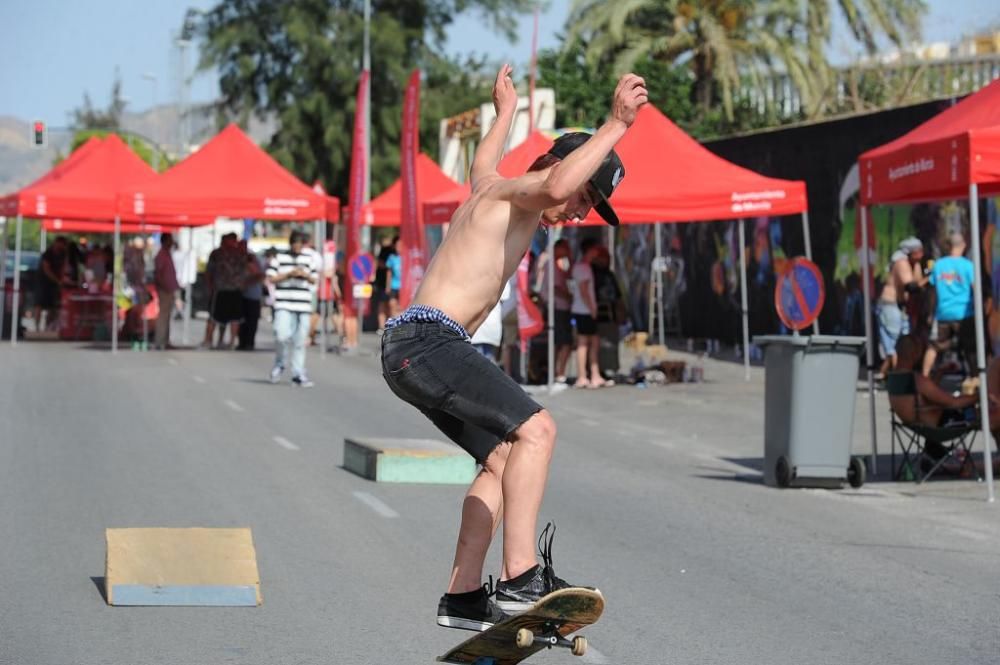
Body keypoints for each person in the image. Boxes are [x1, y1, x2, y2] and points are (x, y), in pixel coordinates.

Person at [380, 64, 644, 631]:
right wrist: (616, 124)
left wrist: (504, 115)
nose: (577, 213)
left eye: (588, 209)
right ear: (555, 165)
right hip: (428, 339)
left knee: (502, 461)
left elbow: (482, 163)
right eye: (585, 196)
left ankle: (464, 594)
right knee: (539, 429)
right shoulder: (525, 192)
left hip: (412, 347)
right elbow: (549, 186)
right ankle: (523, 578)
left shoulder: (489, 189)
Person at [922, 232, 977, 376]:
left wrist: (931, 313)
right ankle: (975, 378)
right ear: (963, 245)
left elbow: (932, 292)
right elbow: (975, 288)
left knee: (934, 346)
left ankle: (925, 377)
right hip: (965, 313)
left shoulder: (939, 265)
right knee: (970, 348)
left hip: (944, 313)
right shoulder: (968, 266)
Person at [268, 230, 318, 387]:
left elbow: (314, 280)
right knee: (281, 335)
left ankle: (298, 372)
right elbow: (271, 278)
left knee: (300, 340)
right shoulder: (279, 258)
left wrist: (304, 275)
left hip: (302, 305)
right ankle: (280, 363)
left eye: (299, 244)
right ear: (290, 244)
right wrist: (289, 274)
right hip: (283, 303)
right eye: (294, 244)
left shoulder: (309, 259)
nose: (297, 247)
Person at [876, 237, 925, 376]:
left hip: (900, 308)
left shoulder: (911, 263)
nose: (921, 255)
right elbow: (912, 286)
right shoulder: (901, 263)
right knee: (896, 344)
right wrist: (930, 278)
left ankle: (887, 374)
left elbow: (917, 281)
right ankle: (898, 377)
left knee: (903, 341)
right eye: (918, 251)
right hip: (890, 306)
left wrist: (917, 265)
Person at [570, 238, 609, 388]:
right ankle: (585, 375)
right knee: (586, 343)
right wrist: (592, 308)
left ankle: (592, 374)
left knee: (589, 342)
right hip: (585, 310)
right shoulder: (584, 268)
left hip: (581, 309)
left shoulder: (580, 267)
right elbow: (584, 291)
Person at [538, 239, 573, 384]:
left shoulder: (555, 265)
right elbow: (555, 287)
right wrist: (569, 297)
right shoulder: (552, 265)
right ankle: (559, 372)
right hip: (558, 306)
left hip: (558, 306)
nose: (568, 251)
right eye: (566, 248)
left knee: (560, 341)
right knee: (564, 341)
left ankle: (557, 371)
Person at [203, 233, 246, 349]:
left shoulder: (237, 253)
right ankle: (219, 340)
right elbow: (209, 272)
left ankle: (222, 341)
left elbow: (208, 272)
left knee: (226, 317)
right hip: (225, 289)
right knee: (220, 317)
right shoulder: (220, 253)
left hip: (227, 290)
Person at [34, 236, 68, 331]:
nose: (62, 247)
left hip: (54, 283)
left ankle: (47, 326)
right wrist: (57, 280)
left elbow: (64, 267)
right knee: (39, 304)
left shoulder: (63, 254)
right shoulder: (48, 253)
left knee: (52, 306)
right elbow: (46, 269)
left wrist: (62, 278)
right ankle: (37, 326)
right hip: (43, 282)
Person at [153, 233, 179, 350]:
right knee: (163, 315)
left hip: (169, 289)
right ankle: (159, 341)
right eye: (170, 240)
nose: (172, 242)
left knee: (167, 315)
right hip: (164, 289)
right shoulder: (161, 255)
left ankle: (165, 340)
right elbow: (158, 273)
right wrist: (164, 286)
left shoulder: (167, 254)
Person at [238, 241, 265, 351]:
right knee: (241, 320)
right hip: (240, 294)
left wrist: (247, 282)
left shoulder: (252, 258)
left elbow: (260, 275)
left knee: (251, 320)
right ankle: (242, 342)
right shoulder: (238, 258)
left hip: (253, 295)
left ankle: (249, 342)